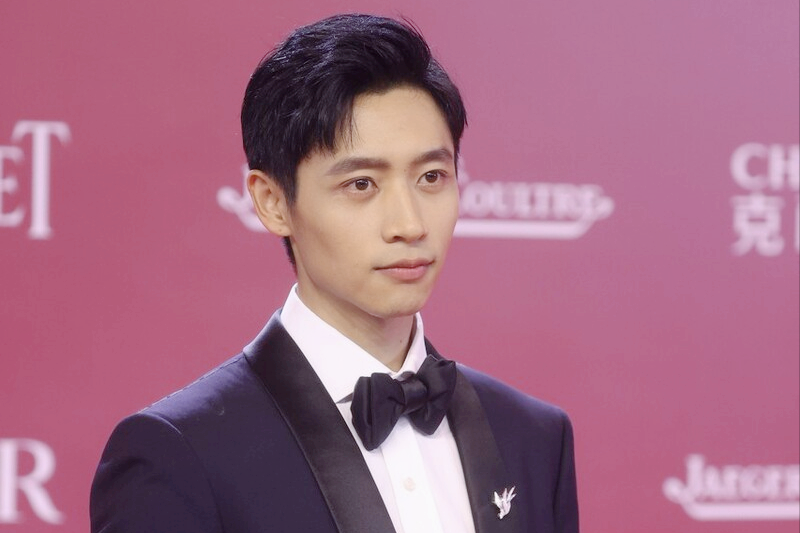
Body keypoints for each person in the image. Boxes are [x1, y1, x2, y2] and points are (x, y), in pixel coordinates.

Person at [90, 13, 579, 533]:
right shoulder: (180, 454)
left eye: (432, 177)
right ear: (272, 202)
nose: (409, 224)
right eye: (361, 184)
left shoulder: (533, 438)